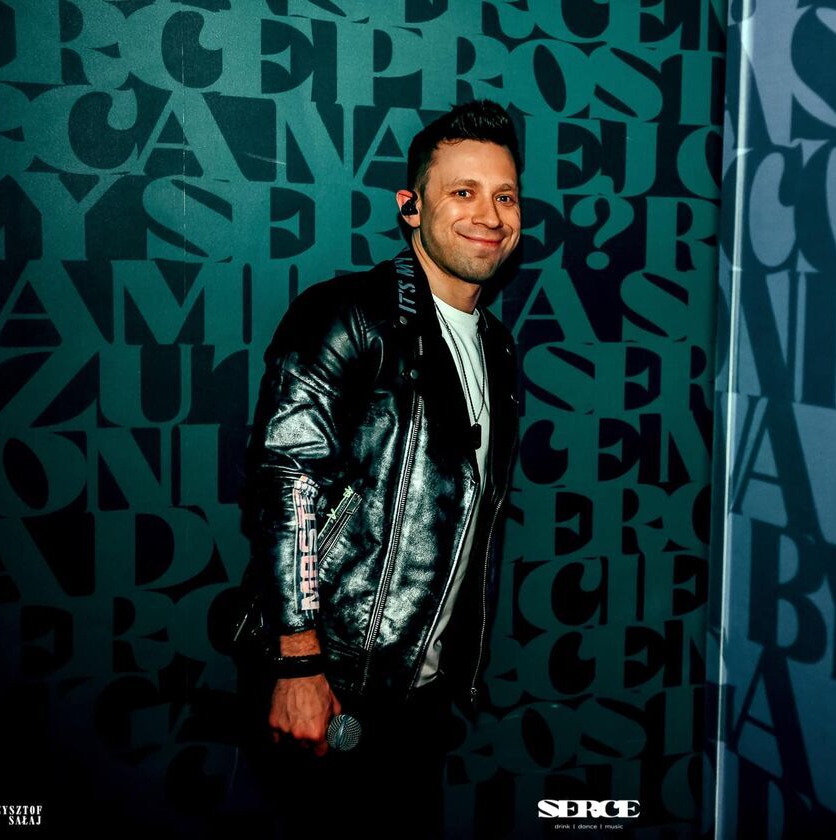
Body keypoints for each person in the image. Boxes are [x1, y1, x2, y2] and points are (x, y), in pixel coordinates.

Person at [236, 99, 522, 836]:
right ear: (411, 206)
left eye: (505, 196)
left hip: (418, 696)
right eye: (463, 192)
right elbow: (286, 487)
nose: (488, 215)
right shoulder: (348, 316)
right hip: (329, 685)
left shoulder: (495, 345)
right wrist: (298, 666)